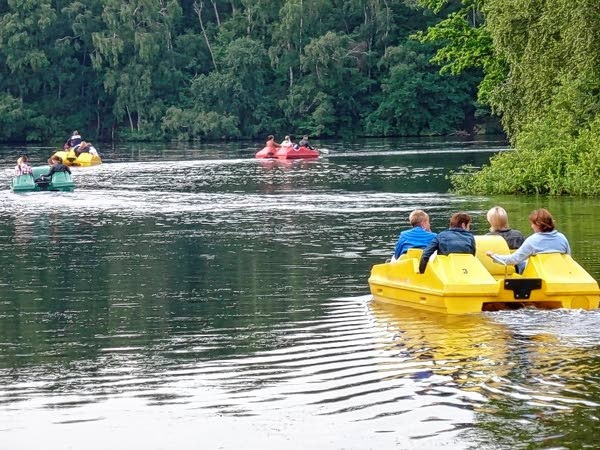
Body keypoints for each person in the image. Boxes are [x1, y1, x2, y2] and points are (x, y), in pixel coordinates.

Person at [486, 208, 570, 268]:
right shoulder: (562, 237)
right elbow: (568, 257)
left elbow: (514, 259)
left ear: (538, 225)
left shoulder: (532, 241)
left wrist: (494, 256)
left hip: (540, 277)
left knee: (522, 263)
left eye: (533, 224)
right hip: (558, 271)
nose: (531, 226)